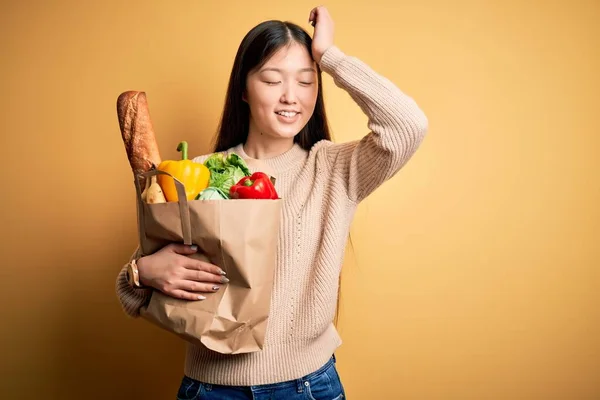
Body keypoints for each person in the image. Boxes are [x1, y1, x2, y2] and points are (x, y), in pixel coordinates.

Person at [116, 5, 428, 399]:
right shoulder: (199, 172)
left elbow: (408, 125)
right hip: (211, 390)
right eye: (272, 79)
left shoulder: (333, 170)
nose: (291, 97)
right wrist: (143, 270)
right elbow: (130, 293)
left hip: (308, 387)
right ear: (244, 90)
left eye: (305, 81)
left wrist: (329, 56)